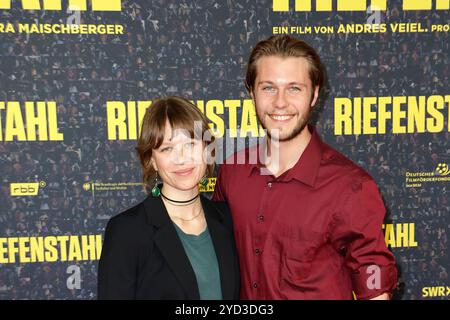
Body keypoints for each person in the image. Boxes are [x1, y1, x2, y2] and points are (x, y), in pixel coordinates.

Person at [212, 35, 398, 300]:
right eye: (268, 88)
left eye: (294, 88)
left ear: (314, 94)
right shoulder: (232, 171)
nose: (280, 102)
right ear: (251, 92)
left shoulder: (351, 187)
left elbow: (375, 287)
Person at [98, 96, 240, 300]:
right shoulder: (128, 231)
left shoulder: (226, 218)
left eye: (190, 144)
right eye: (167, 148)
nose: (181, 158)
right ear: (152, 160)